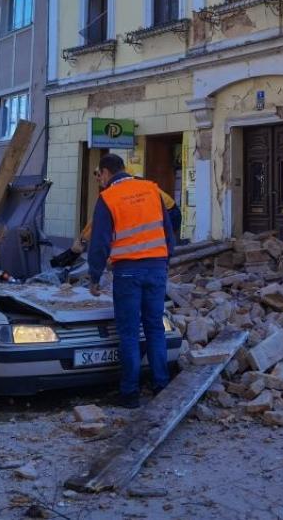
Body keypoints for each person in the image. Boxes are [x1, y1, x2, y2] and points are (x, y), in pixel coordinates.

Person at [87, 154, 175, 408]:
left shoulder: (108, 198)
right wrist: (165, 260)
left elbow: (100, 242)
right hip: (157, 267)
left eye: (99, 175)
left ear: (105, 173)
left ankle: (130, 393)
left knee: (128, 333)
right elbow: (168, 230)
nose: (99, 180)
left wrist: (94, 277)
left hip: (128, 271)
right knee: (155, 328)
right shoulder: (151, 189)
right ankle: (161, 386)